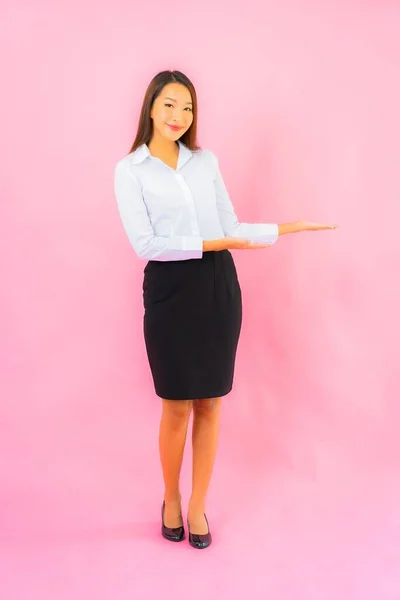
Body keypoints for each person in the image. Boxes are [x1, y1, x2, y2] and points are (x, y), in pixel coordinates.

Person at [114, 69, 337, 550]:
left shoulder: (205, 161)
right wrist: (217, 241)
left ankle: (197, 506)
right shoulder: (130, 170)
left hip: (217, 286)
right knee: (175, 405)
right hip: (171, 290)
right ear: (151, 107)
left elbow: (230, 224)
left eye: (188, 107)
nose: (179, 116)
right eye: (170, 104)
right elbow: (145, 243)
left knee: (210, 403)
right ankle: (171, 498)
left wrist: (287, 227)